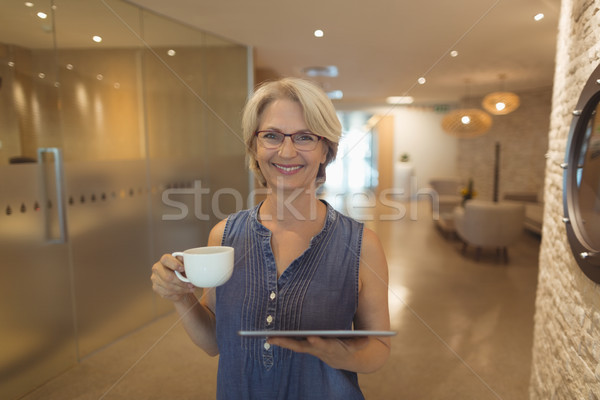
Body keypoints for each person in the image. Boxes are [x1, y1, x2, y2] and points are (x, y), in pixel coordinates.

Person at [151, 77, 391, 399]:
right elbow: (213, 342)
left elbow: (378, 345)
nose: (287, 151)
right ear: (255, 146)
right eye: (272, 136)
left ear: (326, 150)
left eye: (305, 137)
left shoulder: (363, 245)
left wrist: (345, 356)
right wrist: (181, 296)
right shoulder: (224, 236)